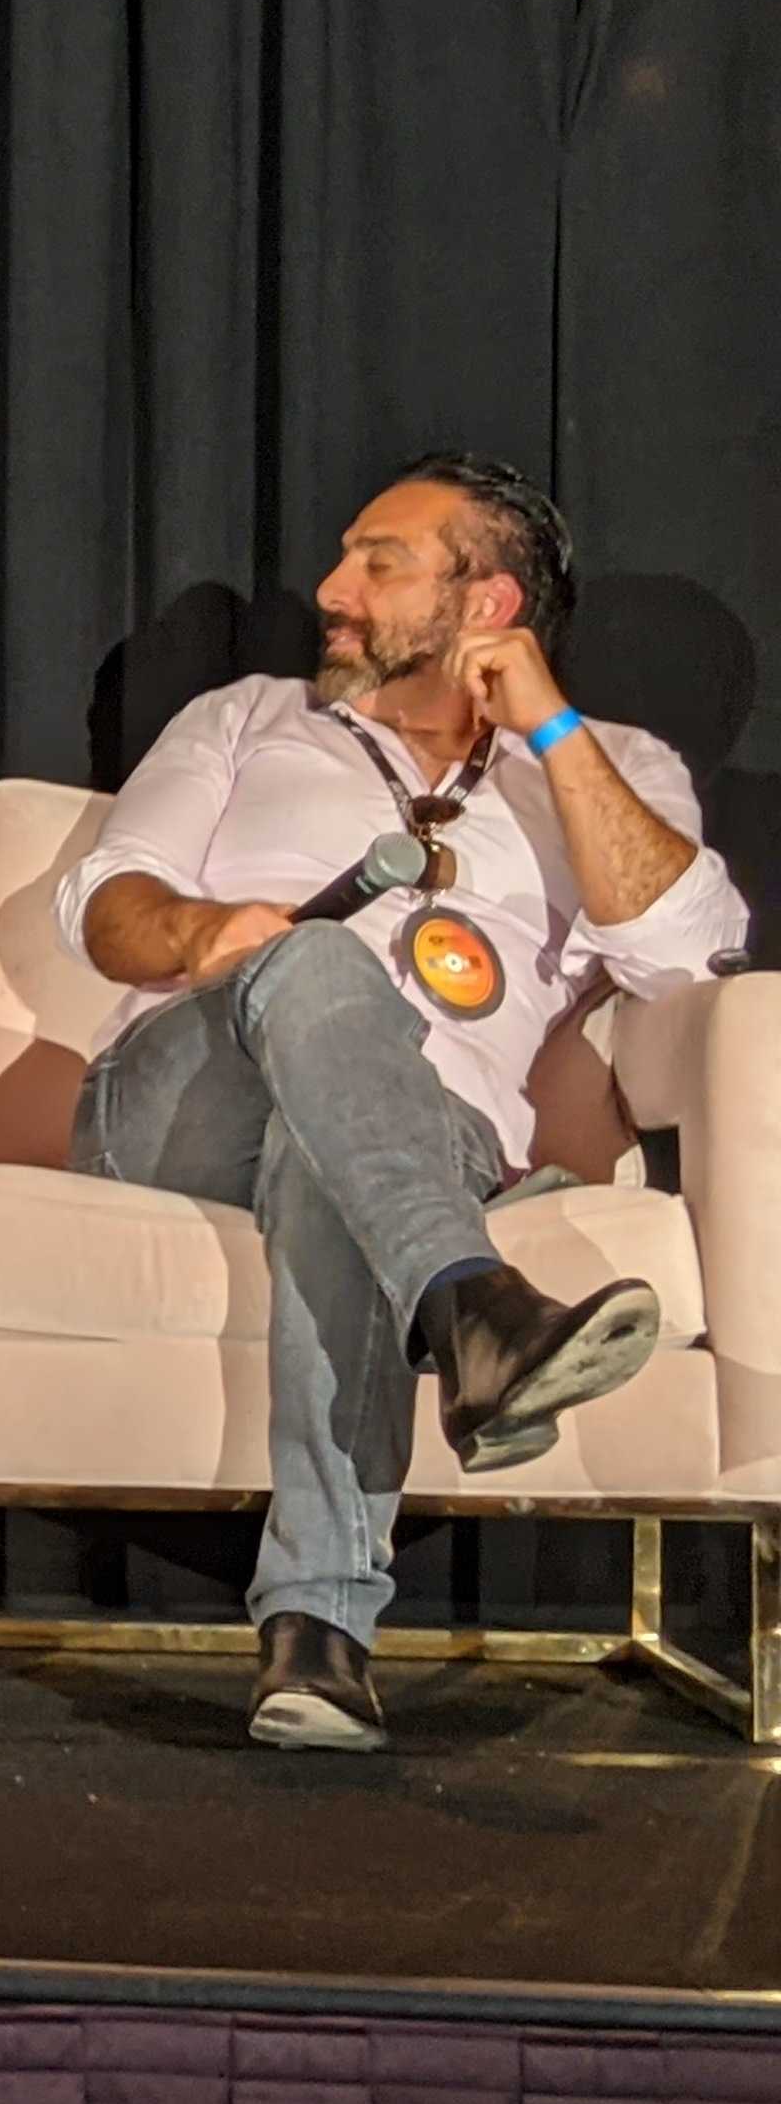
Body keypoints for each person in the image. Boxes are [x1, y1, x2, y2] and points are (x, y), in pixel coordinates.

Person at [57, 454, 751, 1752]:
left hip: (415, 1132)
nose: (331, 588)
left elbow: (687, 953)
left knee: (345, 1153)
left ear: (487, 602)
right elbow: (107, 904)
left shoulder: (612, 765)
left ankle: (317, 1642)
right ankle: (468, 1298)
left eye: (378, 561)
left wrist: (548, 729)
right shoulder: (252, 717)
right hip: (174, 1100)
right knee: (315, 960)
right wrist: (210, 929)